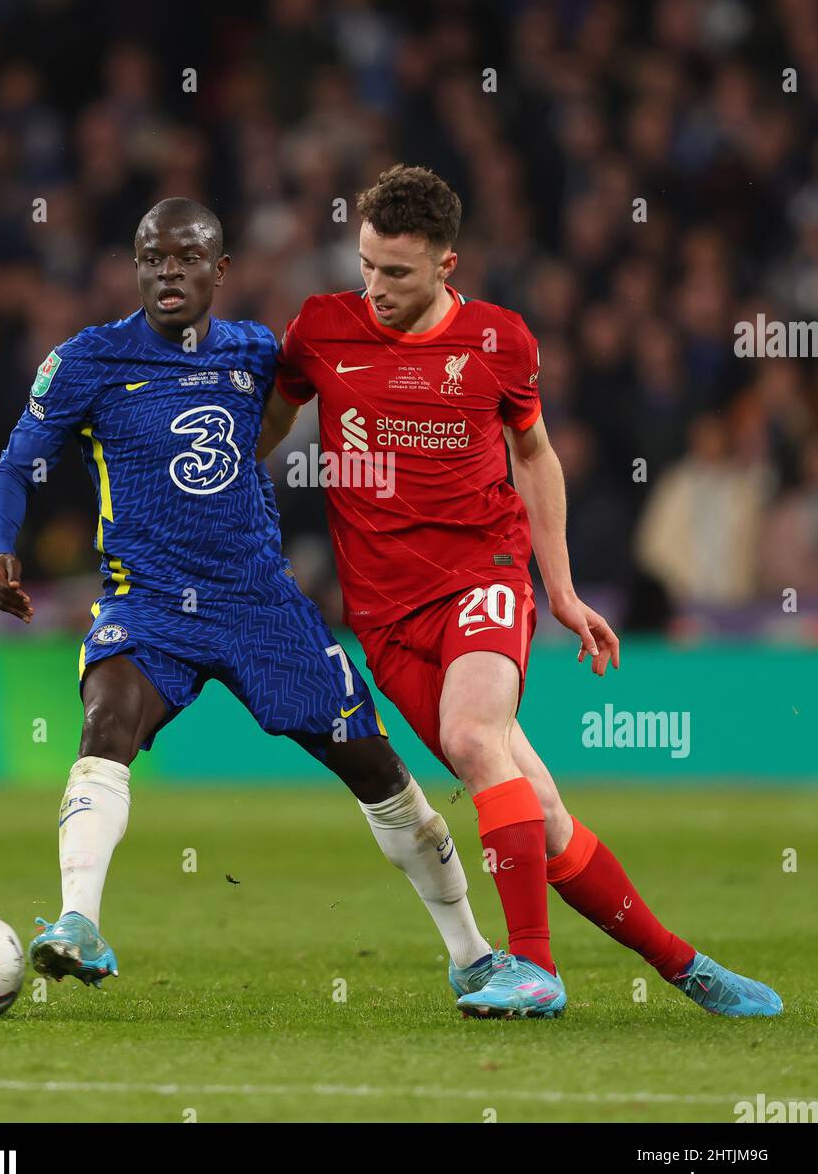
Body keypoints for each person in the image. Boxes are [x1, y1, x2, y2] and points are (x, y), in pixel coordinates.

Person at [258, 163, 782, 1019]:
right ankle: (685, 966)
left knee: (472, 735)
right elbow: (265, 436)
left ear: (445, 265)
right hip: (385, 619)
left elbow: (534, 457)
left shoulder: (498, 342)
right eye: (365, 265)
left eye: (397, 272)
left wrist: (562, 590)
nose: (375, 288)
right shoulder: (321, 331)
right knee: (537, 813)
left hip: (483, 575)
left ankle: (530, 968)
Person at [0, 197, 498, 998]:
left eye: (186, 258)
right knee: (105, 725)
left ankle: (471, 956)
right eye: (152, 257)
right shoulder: (88, 361)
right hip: (146, 600)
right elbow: (14, 467)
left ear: (219, 271)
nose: (167, 272)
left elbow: (315, 398)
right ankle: (77, 920)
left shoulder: (256, 352)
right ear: (135, 266)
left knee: (379, 773)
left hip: (260, 602)